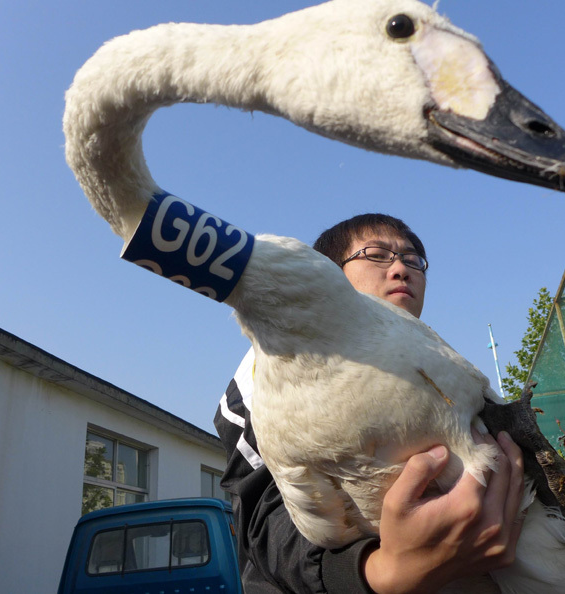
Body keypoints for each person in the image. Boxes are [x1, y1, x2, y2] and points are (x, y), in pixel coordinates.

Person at [213, 214, 525, 593]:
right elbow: (263, 516)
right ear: (325, 272)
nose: (400, 269)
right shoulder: (263, 375)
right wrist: (376, 572)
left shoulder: (428, 351)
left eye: (413, 260)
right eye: (376, 254)